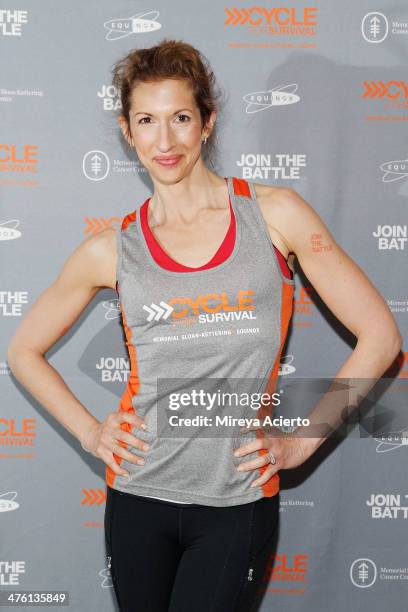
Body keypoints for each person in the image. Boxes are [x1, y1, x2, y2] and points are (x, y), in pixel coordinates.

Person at [7, 38, 402, 612]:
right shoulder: (110, 249)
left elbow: (381, 337)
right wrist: (94, 433)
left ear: (208, 123)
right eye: (146, 120)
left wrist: (303, 441)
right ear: (127, 131)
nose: (164, 141)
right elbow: (23, 350)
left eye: (180, 118)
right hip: (137, 497)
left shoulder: (275, 215)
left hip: (235, 504)